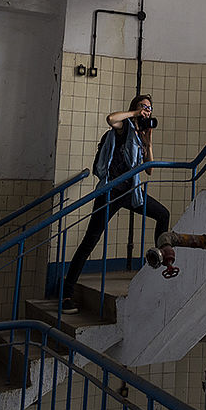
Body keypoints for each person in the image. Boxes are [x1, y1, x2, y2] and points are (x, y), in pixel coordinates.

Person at [60, 95, 170, 314]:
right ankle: (66, 295)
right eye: (143, 107)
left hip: (131, 193)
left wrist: (148, 143)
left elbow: (149, 170)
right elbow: (111, 119)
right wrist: (135, 114)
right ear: (135, 109)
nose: (147, 111)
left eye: (149, 108)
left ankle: (158, 260)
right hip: (110, 192)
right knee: (90, 241)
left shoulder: (140, 135)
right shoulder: (124, 127)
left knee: (163, 214)